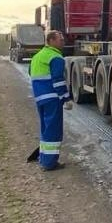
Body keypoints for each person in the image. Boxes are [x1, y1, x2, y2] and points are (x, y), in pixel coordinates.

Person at [29, 30, 74, 170]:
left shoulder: (38, 56)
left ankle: (43, 157)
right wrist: (66, 98)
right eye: (60, 39)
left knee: (46, 128)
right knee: (53, 130)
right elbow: (58, 80)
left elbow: (31, 73)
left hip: (40, 98)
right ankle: (49, 163)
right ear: (51, 40)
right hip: (52, 99)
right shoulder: (56, 57)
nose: (63, 41)